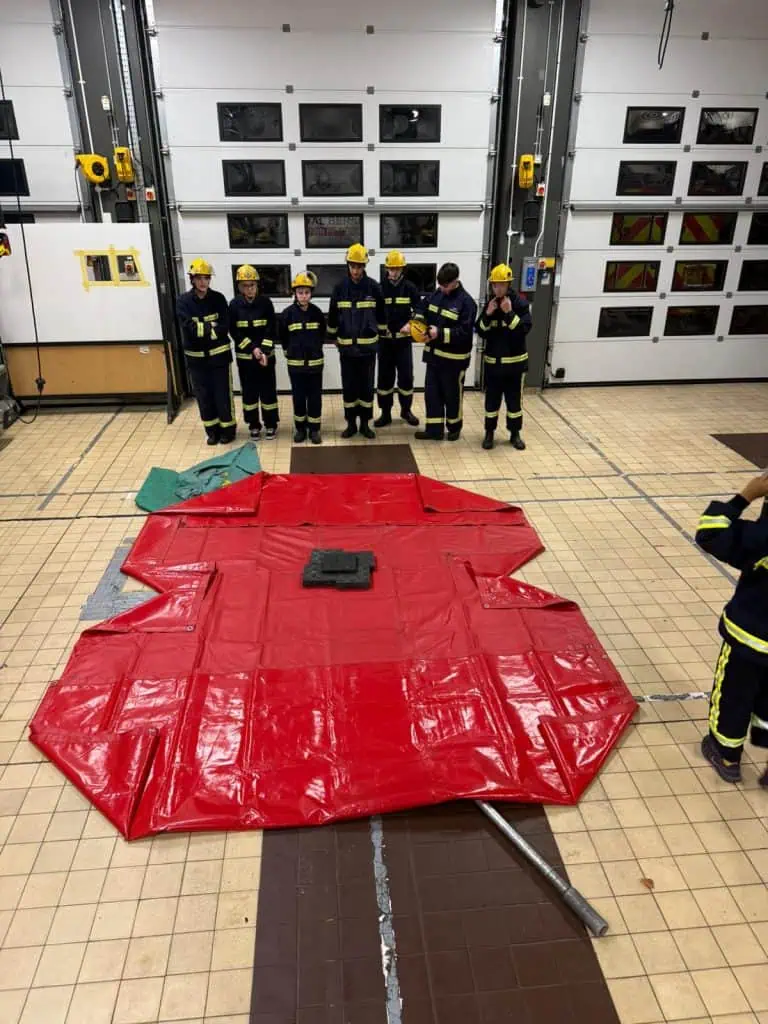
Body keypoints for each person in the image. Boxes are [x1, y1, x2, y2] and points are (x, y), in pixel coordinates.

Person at [695, 471, 768, 786]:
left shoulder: (760, 538)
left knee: (734, 695)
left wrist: (744, 497)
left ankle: (726, 754)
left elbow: (710, 533)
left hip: (749, 637)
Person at [327, 243, 387, 439]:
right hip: (346, 349)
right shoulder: (339, 288)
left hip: (367, 349)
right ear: (348, 265)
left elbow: (381, 315)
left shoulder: (374, 287)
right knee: (350, 388)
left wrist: (380, 336)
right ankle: (351, 424)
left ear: (364, 266)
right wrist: (332, 336)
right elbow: (333, 315)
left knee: (367, 388)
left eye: (359, 266)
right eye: (352, 266)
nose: (355, 270)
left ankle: (365, 425)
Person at [414, 262, 477, 442]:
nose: (442, 289)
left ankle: (454, 428)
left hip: (454, 362)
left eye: (445, 285)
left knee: (452, 396)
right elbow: (421, 308)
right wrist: (417, 325)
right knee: (432, 395)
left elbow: (464, 333)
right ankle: (434, 430)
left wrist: (439, 333)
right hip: (434, 358)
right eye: (440, 285)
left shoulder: (467, 303)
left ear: (455, 281)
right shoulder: (437, 293)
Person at [176, 258, 235, 445]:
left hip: (219, 358)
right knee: (204, 397)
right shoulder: (183, 301)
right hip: (197, 361)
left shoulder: (218, 299)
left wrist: (203, 327)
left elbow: (225, 326)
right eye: (199, 278)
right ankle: (212, 432)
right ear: (192, 279)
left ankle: (227, 431)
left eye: (206, 278)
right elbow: (190, 330)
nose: (203, 282)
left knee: (222, 395)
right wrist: (211, 327)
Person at [476, 263, 532, 451]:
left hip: (515, 367)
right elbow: (480, 331)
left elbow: (523, 330)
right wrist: (487, 315)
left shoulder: (519, 304)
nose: (497, 288)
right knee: (491, 403)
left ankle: (515, 434)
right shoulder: (489, 304)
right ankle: (489, 433)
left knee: (514, 403)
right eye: (494, 285)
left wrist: (509, 313)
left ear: (508, 285)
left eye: (501, 285)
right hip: (493, 367)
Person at [229, 265, 279, 441]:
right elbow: (235, 332)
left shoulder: (266, 303)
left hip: (266, 358)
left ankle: (271, 424)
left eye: (252, 285)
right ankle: (254, 425)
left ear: (257, 285)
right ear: (240, 287)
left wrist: (264, 351)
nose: (249, 289)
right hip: (246, 359)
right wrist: (253, 349)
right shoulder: (234, 305)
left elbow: (271, 329)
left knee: (268, 393)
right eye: (245, 285)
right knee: (249, 394)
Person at [277, 271, 326, 444]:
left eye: (306, 292)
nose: (303, 296)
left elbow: (322, 335)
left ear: (311, 293)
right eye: (300, 292)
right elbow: (282, 337)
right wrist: (289, 352)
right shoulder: (287, 314)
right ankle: (300, 429)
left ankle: (314, 430)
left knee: (314, 398)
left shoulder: (317, 313)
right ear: (294, 293)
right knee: (298, 397)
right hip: (296, 365)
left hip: (315, 365)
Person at [375, 250, 421, 428]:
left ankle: (406, 410)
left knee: (406, 378)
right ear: (386, 268)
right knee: (384, 379)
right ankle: (385, 413)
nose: (394, 272)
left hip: (403, 342)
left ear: (402, 269)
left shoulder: (410, 288)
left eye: (397, 269)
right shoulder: (380, 288)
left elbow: (419, 310)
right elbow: (374, 311)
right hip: (385, 342)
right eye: (391, 269)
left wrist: (411, 324)